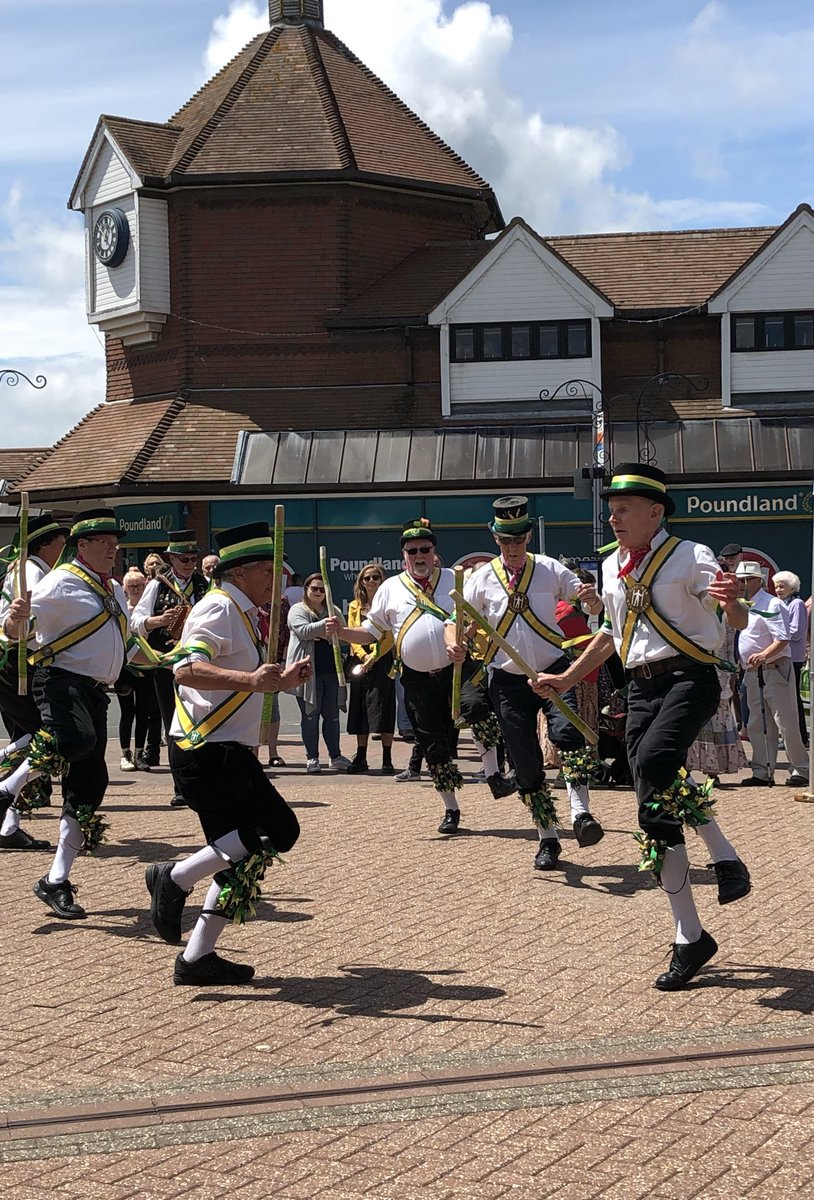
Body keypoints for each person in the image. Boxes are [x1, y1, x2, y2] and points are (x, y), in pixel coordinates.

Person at [535, 464, 750, 991]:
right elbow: (609, 635)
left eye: (623, 509)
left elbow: (735, 619)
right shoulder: (611, 569)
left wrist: (733, 602)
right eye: (610, 509)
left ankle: (724, 857)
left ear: (655, 512)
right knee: (653, 802)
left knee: (654, 764)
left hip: (689, 679)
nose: (612, 517)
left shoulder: (690, 555)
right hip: (640, 688)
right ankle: (690, 935)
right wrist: (566, 677)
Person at [145, 521, 311, 985]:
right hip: (208, 752)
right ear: (245, 572)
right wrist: (253, 681)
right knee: (280, 828)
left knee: (242, 857)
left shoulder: (240, 613)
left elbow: (243, 678)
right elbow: (185, 669)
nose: (277, 583)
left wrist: (277, 680)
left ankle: (197, 960)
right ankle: (175, 877)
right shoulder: (218, 608)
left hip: (225, 750)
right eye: (271, 572)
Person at [447, 497, 604, 870]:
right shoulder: (480, 579)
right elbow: (458, 621)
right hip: (507, 680)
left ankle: (581, 814)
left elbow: (592, 608)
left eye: (518, 539)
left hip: (552, 672)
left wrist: (592, 599)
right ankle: (547, 837)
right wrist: (455, 641)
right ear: (496, 539)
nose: (513, 547)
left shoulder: (550, 570)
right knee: (525, 761)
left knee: (569, 737)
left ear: (529, 535)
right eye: (505, 540)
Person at [2, 509, 135, 919]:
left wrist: (136, 665)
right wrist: (15, 619)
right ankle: (7, 788)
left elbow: (121, 636)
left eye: (115, 541)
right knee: (74, 739)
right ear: (83, 546)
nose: (113, 547)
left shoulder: (108, 588)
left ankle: (55, 880)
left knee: (89, 786)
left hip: (94, 692)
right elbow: (17, 632)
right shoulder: (61, 582)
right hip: (61, 681)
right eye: (105, 541)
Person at [329, 519, 469, 834]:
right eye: (412, 551)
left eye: (425, 549)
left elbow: (477, 618)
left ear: (434, 552)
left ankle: (496, 775)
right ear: (404, 555)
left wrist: (465, 639)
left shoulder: (456, 580)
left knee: (478, 710)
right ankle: (451, 808)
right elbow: (370, 633)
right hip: (417, 678)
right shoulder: (390, 588)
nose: (419, 555)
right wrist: (340, 632)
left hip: (457, 669)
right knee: (434, 744)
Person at [0, 512, 69, 850]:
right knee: (42, 737)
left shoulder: (28, 569)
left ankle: (7, 825)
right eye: (61, 541)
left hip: (15, 659)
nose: (64, 546)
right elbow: (38, 622)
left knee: (29, 737)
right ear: (45, 544)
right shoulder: (31, 572)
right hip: (16, 661)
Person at [131, 531, 208, 797]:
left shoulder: (205, 584)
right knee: (173, 724)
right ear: (172, 559)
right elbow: (135, 622)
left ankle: (201, 782)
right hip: (165, 664)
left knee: (201, 722)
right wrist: (158, 621)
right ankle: (181, 787)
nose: (190, 564)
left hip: (198, 663)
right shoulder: (157, 585)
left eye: (193, 558)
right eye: (184, 559)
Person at [736, 561, 808, 787]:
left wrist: (763, 655)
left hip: (774, 668)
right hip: (751, 671)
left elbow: (782, 638)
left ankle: (801, 769)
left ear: (758, 580)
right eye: (740, 580)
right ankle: (762, 770)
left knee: (785, 721)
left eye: (746, 580)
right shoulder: (742, 605)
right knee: (757, 722)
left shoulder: (773, 604)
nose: (742, 584)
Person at [286, 573, 351, 773]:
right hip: (307, 673)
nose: (318, 592)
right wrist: (325, 628)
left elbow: (344, 636)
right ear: (306, 589)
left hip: (331, 670)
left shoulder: (334, 610)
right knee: (310, 716)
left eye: (322, 589)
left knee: (331, 716)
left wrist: (325, 633)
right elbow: (303, 631)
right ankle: (312, 758)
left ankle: (335, 756)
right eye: (314, 588)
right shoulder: (298, 609)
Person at [346, 563, 396, 774]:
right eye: (367, 578)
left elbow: (390, 636)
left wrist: (374, 657)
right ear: (361, 582)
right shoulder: (354, 606)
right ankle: (361, 757)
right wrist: (364, 656)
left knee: (384, 708)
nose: (371, 581)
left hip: (382, 660)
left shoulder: (390, 604)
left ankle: (387, 759)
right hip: (361, 661)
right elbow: (351, 633)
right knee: (359, 708)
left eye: (376, 577)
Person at [117, 569, 162, 772]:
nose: (135, 589)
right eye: (131, 586)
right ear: (125, 588)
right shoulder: (121, 608)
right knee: (127, 712)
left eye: (139, 585)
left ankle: (139, 753)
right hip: (125, 668)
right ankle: (125, 754)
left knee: (144, 711)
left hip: (146, 665)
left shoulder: (148, 610)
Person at [772, 570, 809, 747]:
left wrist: (777, 635)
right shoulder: (780, 603)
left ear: (791, 587)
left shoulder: (797, 604)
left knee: (793, 698)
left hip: (793, 657)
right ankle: (789, 736)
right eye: (776, 586)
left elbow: (796, 631)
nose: (778, 589)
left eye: (782, 586)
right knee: (786, 699)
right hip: (782, 655)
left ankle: (801, 737)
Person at [257, 594, 291, 767]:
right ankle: (253, 753)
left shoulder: (282, 600)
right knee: (253, 707)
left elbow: (286, 631)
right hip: (253, 659)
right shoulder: (248, 598)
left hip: (274, 658)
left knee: (273, 706)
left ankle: (273, 752)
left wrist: (283, 660)